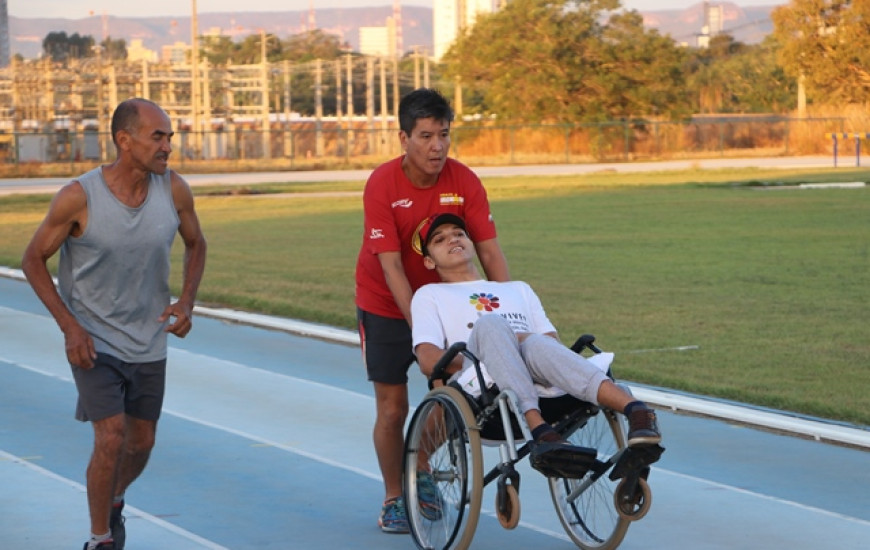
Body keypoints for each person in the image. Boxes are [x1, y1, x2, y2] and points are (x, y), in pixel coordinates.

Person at [21, 98, 207, 550]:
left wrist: (186, 301)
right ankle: (100, 537)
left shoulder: (174, 189)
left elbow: (197, 243)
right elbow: (33, 259)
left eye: (169, 137)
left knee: (141, 442)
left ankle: (115, 498)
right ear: (125, 141)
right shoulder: (78, 196)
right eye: (157, 136)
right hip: (93, 338)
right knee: (112, 436)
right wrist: (70, 326)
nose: (167, 146)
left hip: (149, 338)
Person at [354, 88, 510, 533]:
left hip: (449, 304)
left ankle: (419, 468)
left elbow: (491, 254)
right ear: (404, 138)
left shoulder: (464, 181)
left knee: (455, 395)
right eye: (425, 136)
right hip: (385, 303)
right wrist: (421, 326)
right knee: (392, 407)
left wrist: (511, 309)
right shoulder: (383, 184)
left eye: (444, 134)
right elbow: (391, 268)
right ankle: (393, 497)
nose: (437, 146)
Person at [411, 213, 661, 474]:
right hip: (481, 382)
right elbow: (429, 360)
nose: (453, 239)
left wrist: (515, 346)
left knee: (537, 345)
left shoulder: (519, 289)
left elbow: (550, 345)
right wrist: (496, 353)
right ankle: (536, 424)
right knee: (492, 324)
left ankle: (637, 411)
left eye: (459, 233)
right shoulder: (430, 295)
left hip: (538, 374)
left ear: (471, 243)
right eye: (440, 239)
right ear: (429, 261)